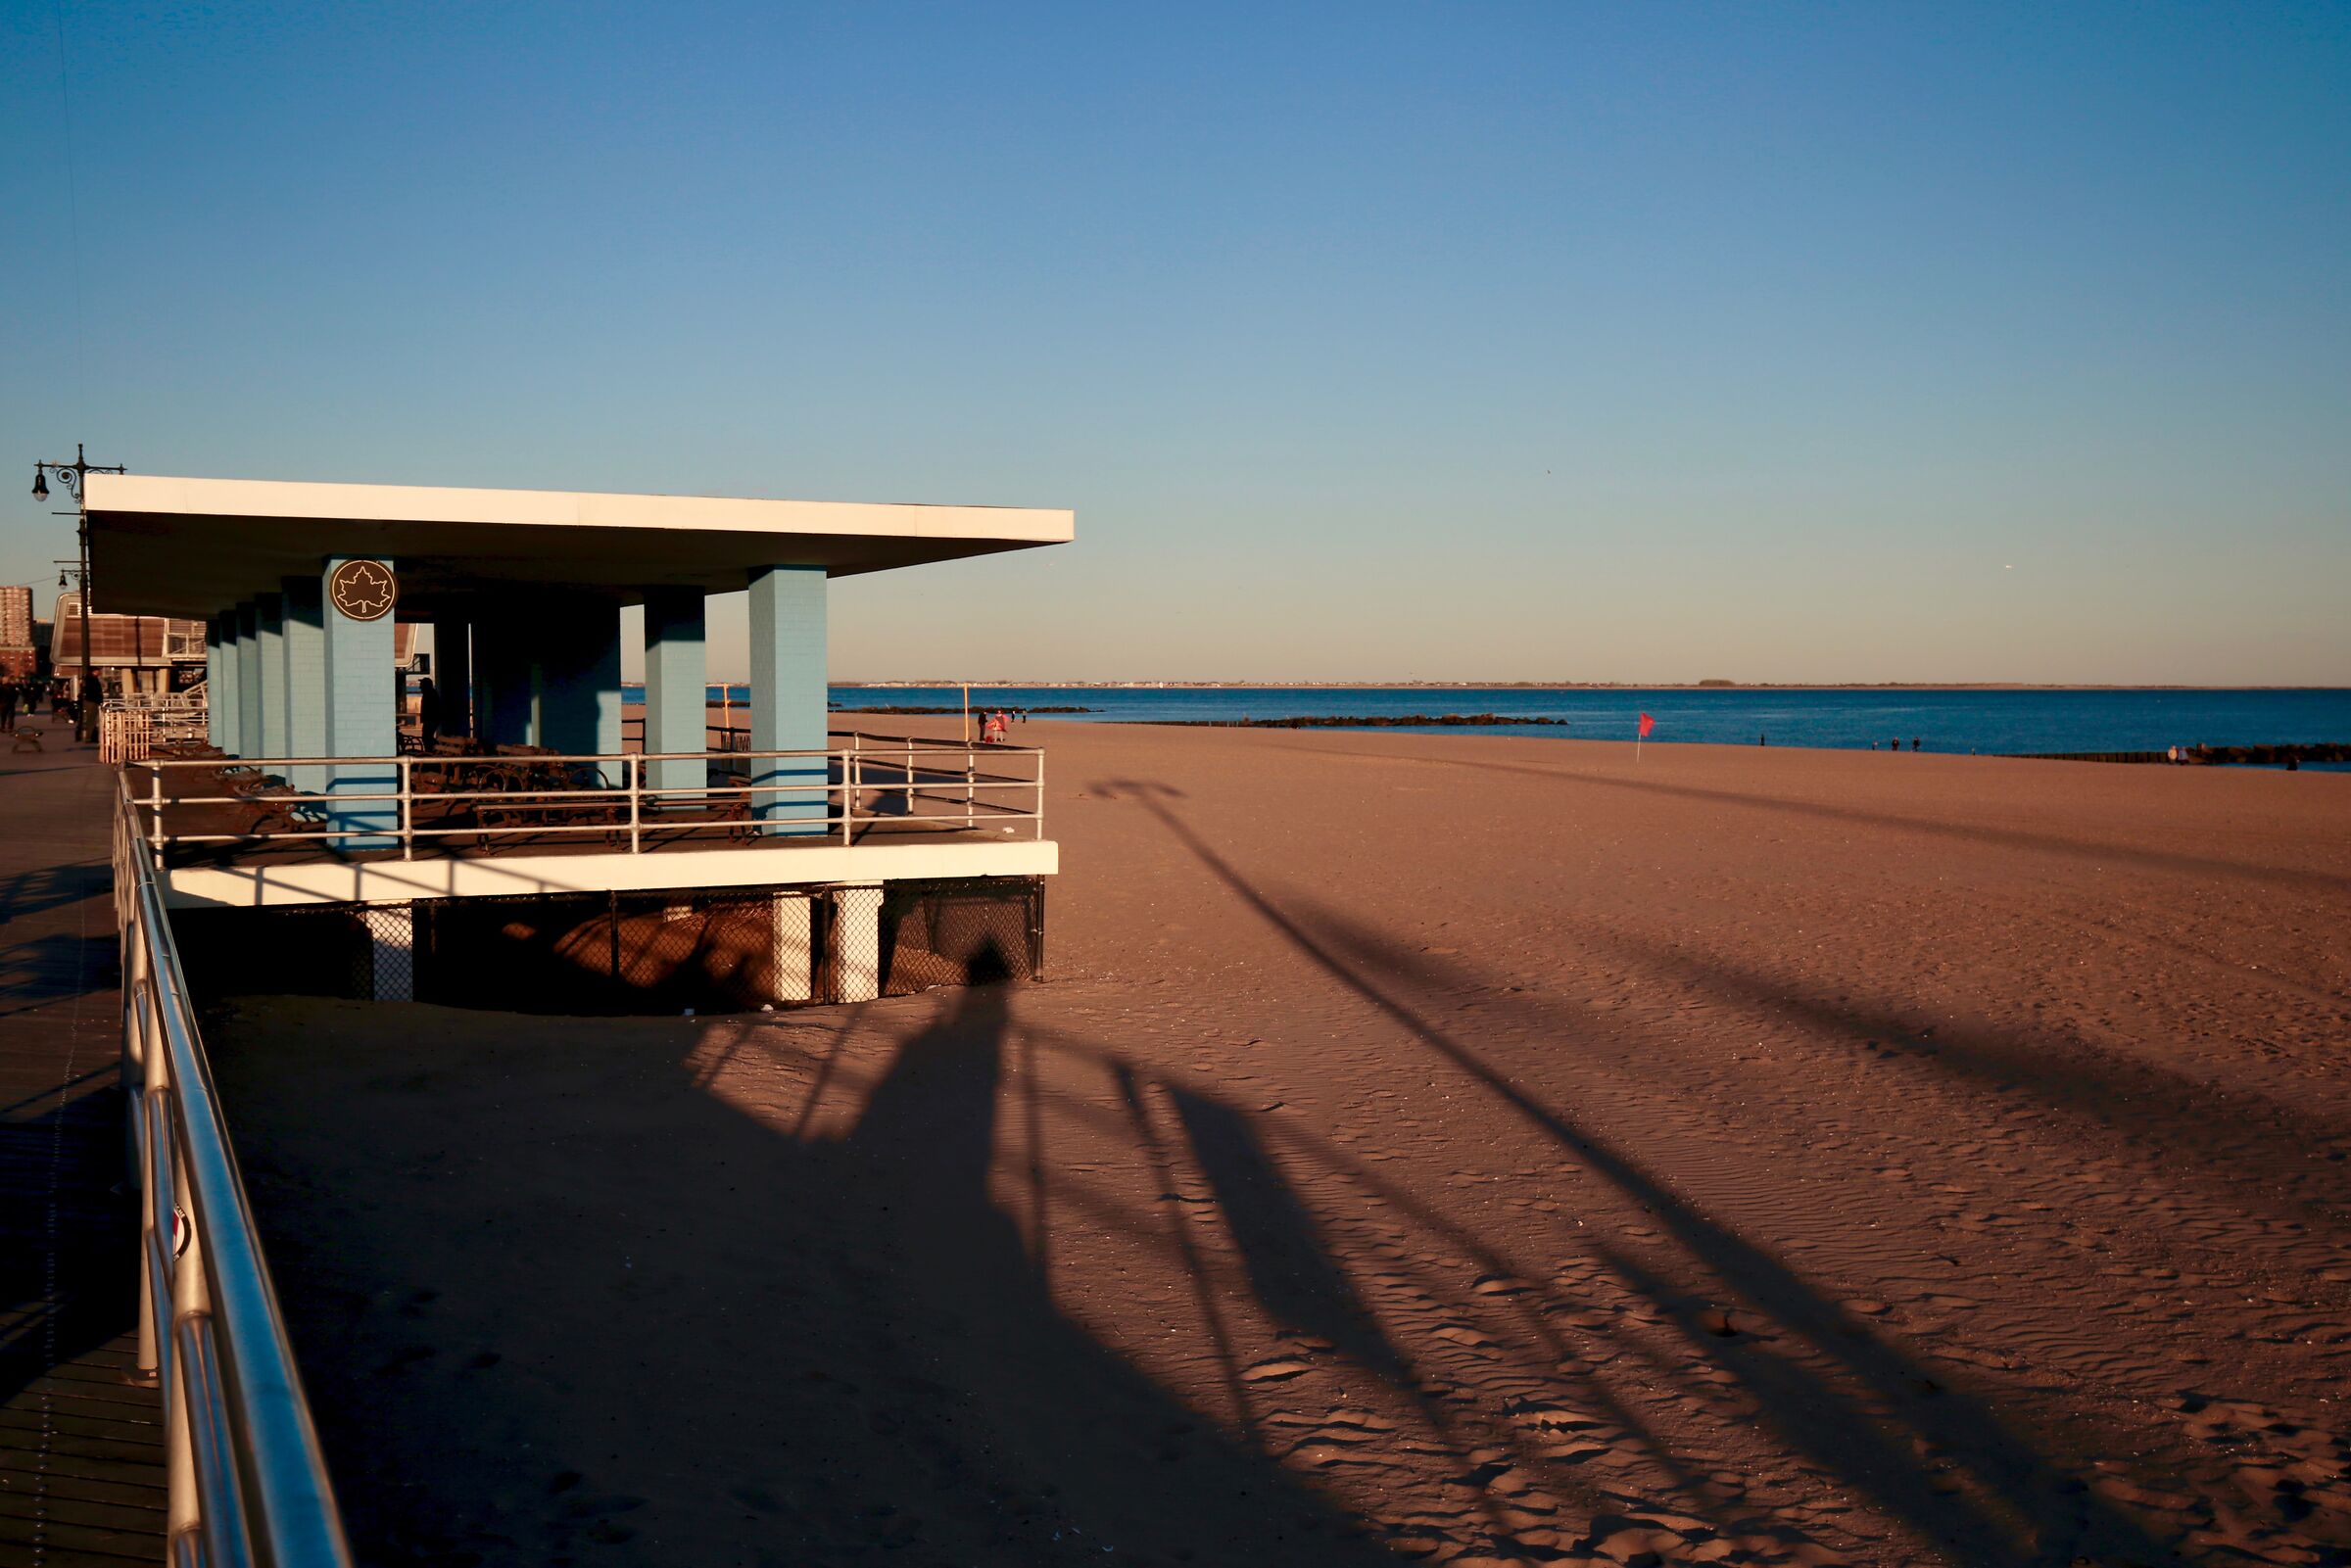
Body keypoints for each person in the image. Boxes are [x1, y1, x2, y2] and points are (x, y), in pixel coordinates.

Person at [417, 677, 442, 743]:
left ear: (426, 686)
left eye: (421, 685)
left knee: (426, 737)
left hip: (430, 720)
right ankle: (433, 749)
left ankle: (433, 750)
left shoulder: (429, 695)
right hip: (430, 720)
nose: (420, 687)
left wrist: (426, 719)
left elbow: (431, 709)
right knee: (427, 737)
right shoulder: (430, 693)